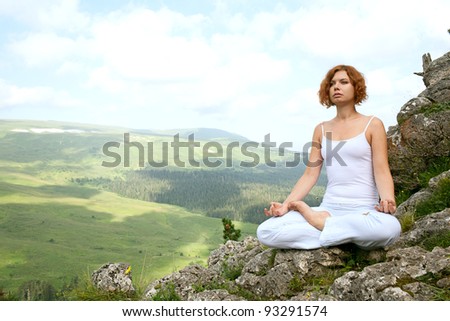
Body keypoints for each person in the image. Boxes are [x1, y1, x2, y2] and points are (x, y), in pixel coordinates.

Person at [257, 65, 401, 250]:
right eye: (332, 84)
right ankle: (343, 234)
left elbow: (381, 169)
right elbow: (310, 175)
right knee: (266, 231)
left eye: (343, 82)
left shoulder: (372, 125)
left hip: (363, 210)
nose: (336, 87)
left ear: (356, 87)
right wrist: (285, 206)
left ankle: (325, 228)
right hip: (328, 208)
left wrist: (388, 199)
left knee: (390, 229)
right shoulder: (321, 129)